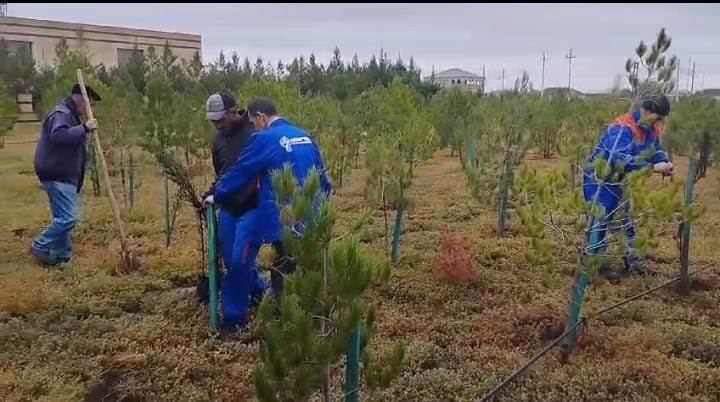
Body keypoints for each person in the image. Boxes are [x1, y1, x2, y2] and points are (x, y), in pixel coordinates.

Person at [209, 96, 332, 314]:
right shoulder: (304, 136)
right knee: (309, 270)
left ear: (261, 117)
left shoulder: (266, 139)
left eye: (254, 124)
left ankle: (285, 320)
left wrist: (217, 194)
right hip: (312, 217)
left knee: (282, 270)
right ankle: (313, 317)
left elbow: (240, 171)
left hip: (285, 219)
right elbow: (322, 180)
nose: (255, 129)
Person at [583, 95, 674, 283]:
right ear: (647, 110)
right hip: (598, 180)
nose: (659, 122)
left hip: (619, 181)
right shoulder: (622, 128)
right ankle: (600, 265)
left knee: (624, 221)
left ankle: (636, 263)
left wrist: (663, 162)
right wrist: (650, 168)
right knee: (599, 221)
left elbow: (655, 149)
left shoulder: (651, 127)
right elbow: (619, 158)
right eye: (657, 117)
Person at [202, 92, 270, 330]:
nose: (218, 125)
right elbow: (223, 174)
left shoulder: (254, 134)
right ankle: (263, 293)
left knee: (240, 262)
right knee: (232, 262)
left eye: (221, 119)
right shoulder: (219, 141)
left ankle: (234, 319)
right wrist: (212, 193)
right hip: (229, 207)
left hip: (253, 207)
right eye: (214, 121)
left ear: (234, 112)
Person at [30, 83, 101, 266]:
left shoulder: (70, 115)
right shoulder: (62, 114)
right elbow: (59, 136)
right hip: (57, 173)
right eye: (90, 104)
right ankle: (40, 245)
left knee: (62, 216)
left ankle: (63, 256)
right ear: (82, 102)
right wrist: (84, 128)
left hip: (62, 173)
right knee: (69, 217)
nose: (90, 109)